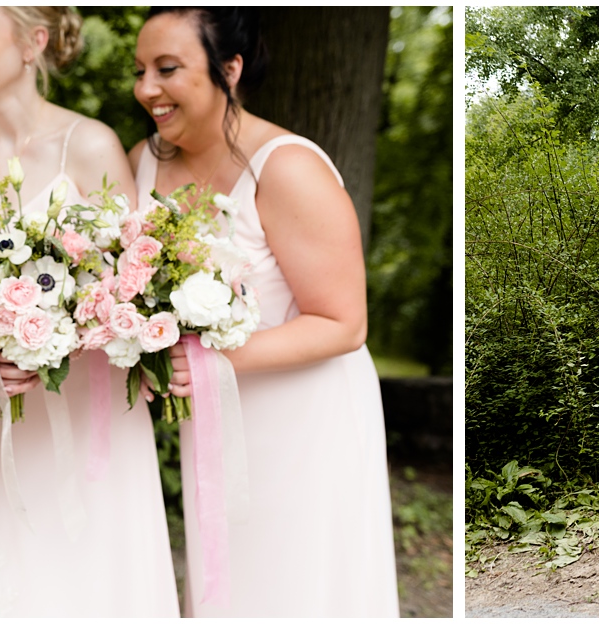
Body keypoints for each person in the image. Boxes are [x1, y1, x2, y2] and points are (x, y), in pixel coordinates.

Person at [132, 7, 398, 615]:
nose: (147, 88)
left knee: (299, 583)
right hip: (221, 419)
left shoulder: (288, 168)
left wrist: (206, 359)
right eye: (140, 70)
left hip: (307, 416)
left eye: (167, 68)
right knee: (232, 583)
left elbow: (345, 323)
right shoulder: (146, 162)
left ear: (230, 67)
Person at [0, 6, 179, 617]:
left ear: (33, 42)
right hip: (10, 421)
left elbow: (137, 290)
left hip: (95, 417)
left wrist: (55, 347)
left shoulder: (89, 144)